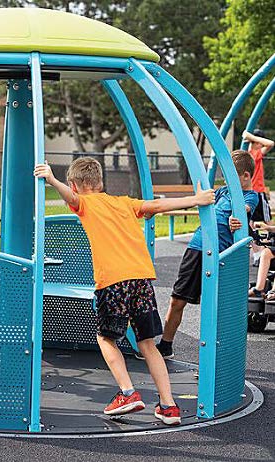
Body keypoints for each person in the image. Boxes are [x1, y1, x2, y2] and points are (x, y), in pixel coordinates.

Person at [34, 157, 215, 425]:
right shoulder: (123, 203)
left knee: (105, 339)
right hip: (140, 279)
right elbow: (157, 205)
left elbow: (71, 197)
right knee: (147, 344)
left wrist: (51, 179)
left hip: (114, 281)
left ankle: (128, 392)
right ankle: (168, 405)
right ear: (101, 182)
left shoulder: (84, 203)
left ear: (76, 184)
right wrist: (196, 199)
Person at [156, 150, 258, 360]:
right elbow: (206, 198)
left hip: (221, 255)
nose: (226, 181)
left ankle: (214, 359)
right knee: (177, 299)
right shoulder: (222, 192)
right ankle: (165, 346)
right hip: (197, 247)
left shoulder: (250, 196)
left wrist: (236, 219)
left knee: (217, 307)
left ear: (246, 176)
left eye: (231, 177)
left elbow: (243, 210)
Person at [243, 129, 274, 265]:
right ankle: (257, 253)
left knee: (266, 222)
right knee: (251, 224)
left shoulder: (256, 153)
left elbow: (270, 143)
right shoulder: (250, 155)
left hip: (257, 193)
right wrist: (251, 139)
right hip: (252, 194)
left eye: (253, 142)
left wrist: (252, 137)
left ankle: (268, 249)